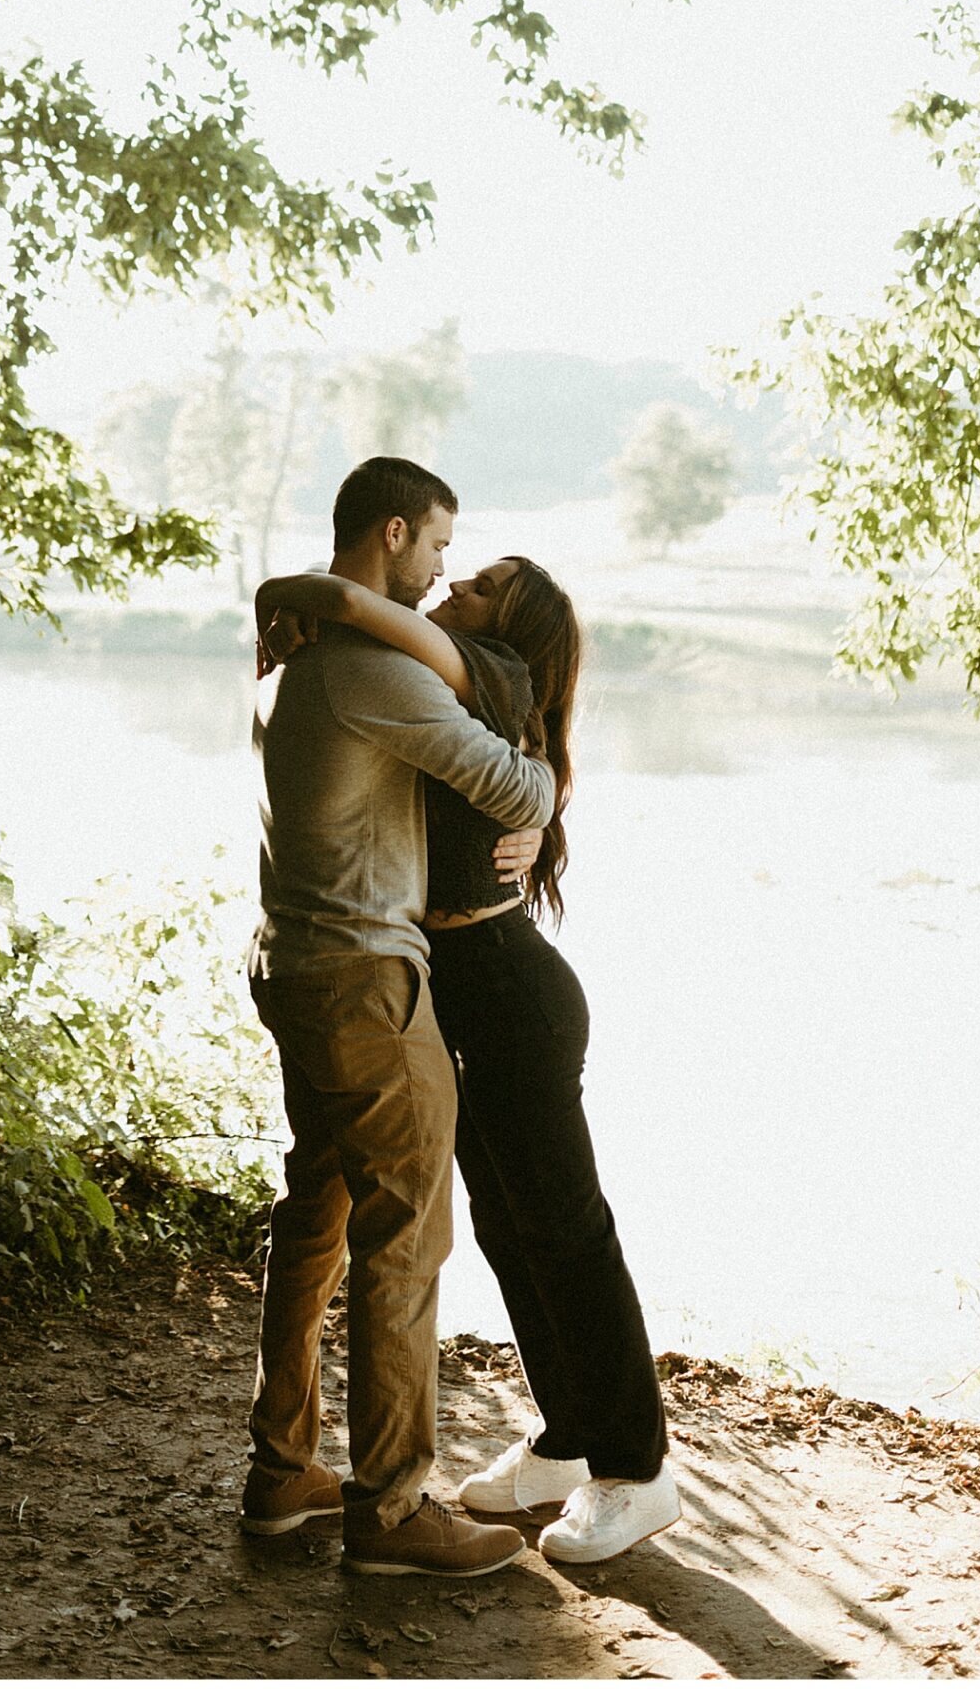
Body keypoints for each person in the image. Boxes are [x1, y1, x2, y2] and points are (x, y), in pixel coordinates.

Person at [252, 548, 680, 1567]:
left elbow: (357, 601)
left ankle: (638, 1466)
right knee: (506, 1222)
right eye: (459, 569)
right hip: (453, 988)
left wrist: (294, 596)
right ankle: (569, 1436)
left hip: (507, 989)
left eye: (480, 582)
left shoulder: (475, 666)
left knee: (567, 1227)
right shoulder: (461, 681)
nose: (455, 585)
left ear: (509, 627)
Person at [242, 457, 557, 1578]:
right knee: (407, 1234)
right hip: (368, 981)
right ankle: (390, 1507)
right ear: (390, 533)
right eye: (434, 548)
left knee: (318, 1213)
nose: (438, 572)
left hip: (295, 963)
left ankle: (282, 1473)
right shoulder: (373, 664)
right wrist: (545, 792)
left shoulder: (291, 660)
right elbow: (514, 790)